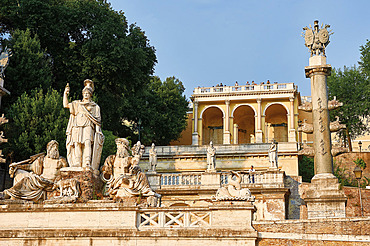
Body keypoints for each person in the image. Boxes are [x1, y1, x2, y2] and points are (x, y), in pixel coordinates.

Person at [1, 140, 68, 202]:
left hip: (49, 183)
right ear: (48, 149)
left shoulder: (61, 160)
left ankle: (9, 194)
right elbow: (30, 167)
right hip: (41, 180)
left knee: (27, 180)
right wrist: (17, 166)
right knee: (19, 173)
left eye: (56, 147)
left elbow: (67, 173)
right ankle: (13, 194)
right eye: (53, 147)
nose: (55, 149)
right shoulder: (43, 159)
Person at [63, 79, 104, 170]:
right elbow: (65, 105)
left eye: (87, 93)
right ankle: (77, 162)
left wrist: (98, 131)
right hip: (77, 125)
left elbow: (97, 120)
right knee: (77, 144)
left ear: (90, 94)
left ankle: (87, 162)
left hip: (88, 125)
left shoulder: (95, 106)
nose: (86, 94)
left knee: (87, 143)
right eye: (84, 93)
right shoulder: (77, 103)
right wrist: (65, 94)